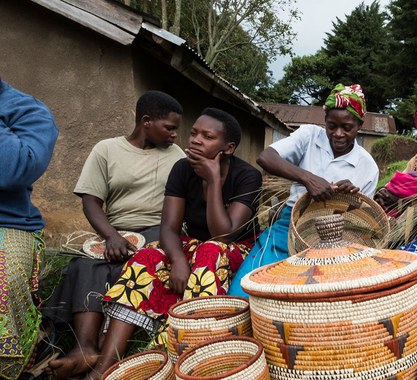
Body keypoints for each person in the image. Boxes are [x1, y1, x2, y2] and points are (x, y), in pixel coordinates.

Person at [83, 108, 262, 379]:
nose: (196, 140)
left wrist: (212, 180)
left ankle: (171, 355)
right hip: (195, 245)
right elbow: (168, 227)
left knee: (210, 251)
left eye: (208, 136)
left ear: (228, 148)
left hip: (237, 249)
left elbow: (224, 235)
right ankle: (104, 366)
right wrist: (178, 261)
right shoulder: (182, 168)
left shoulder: (247, 175)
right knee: (147, 257)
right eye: (194, 133)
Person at [43, 91, 185, 379]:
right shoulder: (107, 150)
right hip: (117, 230)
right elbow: (90, 200)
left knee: (138, 263)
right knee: (84, 265)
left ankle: (104, 353)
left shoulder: (177, 157)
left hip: (161, 230)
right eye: (169, 128)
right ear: (146, 122)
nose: (174, 135)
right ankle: (85, 348)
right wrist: (110, 236)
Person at [228, 84, 379, 297]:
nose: (338, 134)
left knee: (308, 296)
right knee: (244, 290)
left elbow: (362, 222)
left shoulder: (366, 165)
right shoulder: (309, 136)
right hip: (290, 224)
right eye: (331, 126)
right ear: (324, 121)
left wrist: (350, 199)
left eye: (347, 127)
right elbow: (266, 158)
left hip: (335, 237)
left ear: (360, 124)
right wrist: (308, 178)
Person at [0, 78, 58, 379]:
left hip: (7, 221)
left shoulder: (30, 112)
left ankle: (12, 366)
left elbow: (12, 170)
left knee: (4, 280)